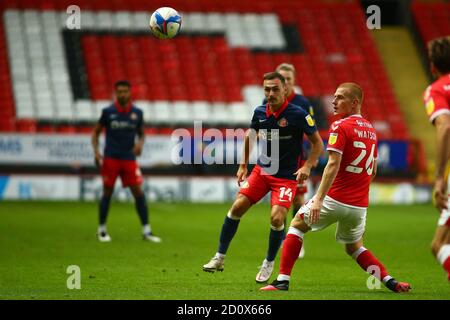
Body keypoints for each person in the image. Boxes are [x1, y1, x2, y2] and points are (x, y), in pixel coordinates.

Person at [261, 83, 411, 292]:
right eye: (334, 97)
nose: (334, 101)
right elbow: (373, 170)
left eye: (340, 97)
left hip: (335, 198)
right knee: (354, 247)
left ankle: (282, 281)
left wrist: (319, 199)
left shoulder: (340, 126)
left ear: (354, 102)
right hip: (359, 206)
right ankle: (390, 281)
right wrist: (357, 192)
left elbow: (333, 163)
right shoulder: (371, 130)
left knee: (296, 225)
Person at [202, 72, 324, 283]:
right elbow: (250, 136)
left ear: (285, 90)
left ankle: (268, 262)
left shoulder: (298, 114)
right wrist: (243, 166)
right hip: (262, 171)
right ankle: (219, 257)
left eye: (275, 89)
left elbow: (318, 144)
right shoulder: (259, 112)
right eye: (267, 89)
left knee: (277, 218)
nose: (270, 93)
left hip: (286, 177)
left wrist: (308, 165)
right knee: (237, 207)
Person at [92, 80, 161, 243]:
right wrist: (96, 152)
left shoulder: (137, 113)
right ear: (116, 93)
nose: (122, 94)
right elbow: (95, 133)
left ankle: (147, 231)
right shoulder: (108, 112)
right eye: (119, 91)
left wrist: (140, 144)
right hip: (111, 157)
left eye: (125, 91)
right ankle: (101, 229)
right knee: (107, 192)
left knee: (138, 192)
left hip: (129, 158)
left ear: (130, 93)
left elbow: (142, 133)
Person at [423, 36, 450, 281]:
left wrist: (440, 177)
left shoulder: (437, 89)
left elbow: (444, 126)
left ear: (432, 65)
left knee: (438, 244)